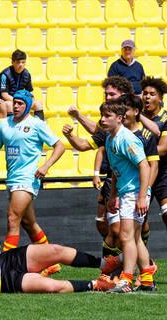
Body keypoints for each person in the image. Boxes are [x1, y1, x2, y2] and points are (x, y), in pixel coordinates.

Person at [0, 90, 64, 263]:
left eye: (20, 103)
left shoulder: (37, 124)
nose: (15, 106)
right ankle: (50, 262)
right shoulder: (3, 124)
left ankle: (4, 264)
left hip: (28, 179)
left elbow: (60, 146)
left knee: (12, 218)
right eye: (15, 102)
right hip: (12, 179)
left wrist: (46, 165)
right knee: (29, 224)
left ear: (28, 106)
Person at [64, 76, 134, 245]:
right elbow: (95, 136)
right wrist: (70, 132)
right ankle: (121, 260)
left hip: (132, 182)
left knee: (124, 229)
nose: (107, 97)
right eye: (106, 94)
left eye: (112, 94)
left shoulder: (131, 120)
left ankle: (133, 264)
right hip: (114, 177)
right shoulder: (110, 122)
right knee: (104, 224)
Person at [101, 101, 154, 293]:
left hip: (134, 193)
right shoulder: (110, 139)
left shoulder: (127, 139)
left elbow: (144, 166)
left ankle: (126, 280)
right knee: (136, 238)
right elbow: (116, 171)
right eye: (102, 115)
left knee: (126, 236)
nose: (102, 119)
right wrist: (113, 195)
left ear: (120, 118)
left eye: (108, 116)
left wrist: (142, 197)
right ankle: (147, 278)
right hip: (126, 192)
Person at [141, 77, 167, 230]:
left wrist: (138, 152)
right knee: (139, 219)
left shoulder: (165, 118)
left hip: (163, 172)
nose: (147, 97)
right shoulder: (136, 117)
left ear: (160, 98)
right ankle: (143, 254)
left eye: (152, 94)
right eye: (145, 93)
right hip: (142, 172)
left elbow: (163, 148)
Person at [0, 49, 44, 120]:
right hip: (8, 101)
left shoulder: (26, 74)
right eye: (18, 62)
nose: (21, 65)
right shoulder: (5, 74)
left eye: (23, 62)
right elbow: (4, 95)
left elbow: (30, 92)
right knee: (9, 105)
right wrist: (19, 101)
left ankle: (39, 128)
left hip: (20, 100)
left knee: (38, 104)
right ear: (12, 62)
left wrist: (29, 100)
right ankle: (13, 128)